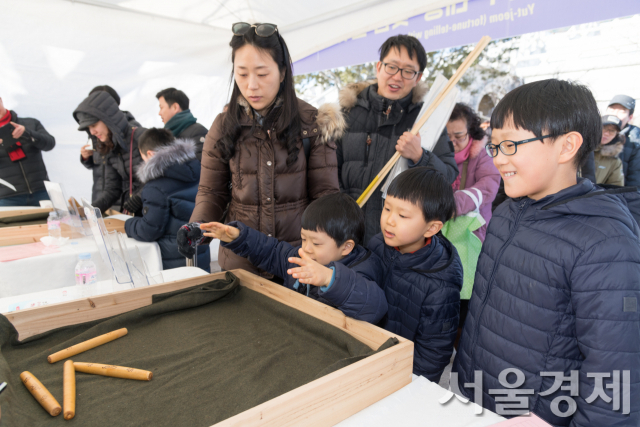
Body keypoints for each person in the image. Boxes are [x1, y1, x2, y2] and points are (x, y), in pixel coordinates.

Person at [453, 79, 640, 426]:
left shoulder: (605, 243)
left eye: (510, 145)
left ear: (567, 145)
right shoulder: (508, 211)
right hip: (478, 399)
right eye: (495, 147)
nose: (499, 160)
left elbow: (617, 373)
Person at [179, 22, 343, 277]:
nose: (251, 85)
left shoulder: (312, 123)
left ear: (283, 72)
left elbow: (326, 198)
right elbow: (211, 192)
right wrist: (197, 228)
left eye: (262, 74)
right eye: (242, 74)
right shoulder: (223, 126)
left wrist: (323, 258)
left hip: (297, 265)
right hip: (239, 263)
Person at [337, 35, 458, 244]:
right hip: (346, 231)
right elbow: (329, 172)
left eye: (408, 71)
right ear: (378, 67)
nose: (397, 77)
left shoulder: (426, 119)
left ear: (418, 77)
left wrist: (420, 156)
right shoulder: (348, 113)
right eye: (391, 67)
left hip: (397, 241)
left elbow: (448, 176)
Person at [200, 192, 386, 323]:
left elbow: (374, 307)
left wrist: (330, 278)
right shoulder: (303, 257)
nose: (306, 248)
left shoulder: (363, 269)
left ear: (346, 246)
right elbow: (271, 252)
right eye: (304, 238)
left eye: (316, 243)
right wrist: (239, 237)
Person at [368, 167, 462, 382]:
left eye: (402, 215)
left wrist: (412, 386)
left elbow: (433, 353)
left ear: (431, 228)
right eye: (387, 208)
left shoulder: (440, 284)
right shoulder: (377, 243)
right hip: (369, 357)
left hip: (403, 375)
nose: (390, 220)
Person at [125, 128, 210, 270]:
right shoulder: (197, 169)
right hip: (200, 256)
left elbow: (149, 230)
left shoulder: (156, 186)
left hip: (172, 264)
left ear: (150, 154)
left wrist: (128, 224)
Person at [73, 91, 146, 215]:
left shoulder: (142, 137)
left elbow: (164, 174)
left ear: (108, 119)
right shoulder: (108, 147)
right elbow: (112, 189)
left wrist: (139, 197)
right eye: (88, 128)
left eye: (94, 125)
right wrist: (90, 211)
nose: (92, 132)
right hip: (133, 216)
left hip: (155, 213)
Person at [446, 103, 500, 242]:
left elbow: (488, 186)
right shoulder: (437, 154)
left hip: (473, 231)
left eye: (459, 136)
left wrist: (450, 204)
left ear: (470, 132)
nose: (452, 143)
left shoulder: (483, 154)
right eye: (446, 137)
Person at [0, 96, 55, 206]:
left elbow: (50, 144)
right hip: (7, 197)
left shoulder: (30, 123)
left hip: (41, 191)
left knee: (52, 223)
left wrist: (27, 133)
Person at [156, 88, 208, 161]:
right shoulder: (169, 135)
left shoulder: (198, 132)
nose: (159, 113)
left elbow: (201, 168)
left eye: (161, 108)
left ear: (175, 107)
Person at [606, 94, 640, 186]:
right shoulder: (593, 133)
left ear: (630, 117)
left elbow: (635, 178)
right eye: (612, 109)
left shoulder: (636, 140)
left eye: (622, 111)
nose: (615, 114)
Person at [595, 115, 625, 186]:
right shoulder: (578, 148)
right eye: (604, 128)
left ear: (616, 135)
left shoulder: (614, 161)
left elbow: (615, 188)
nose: (607, 133)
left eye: (612, 131)